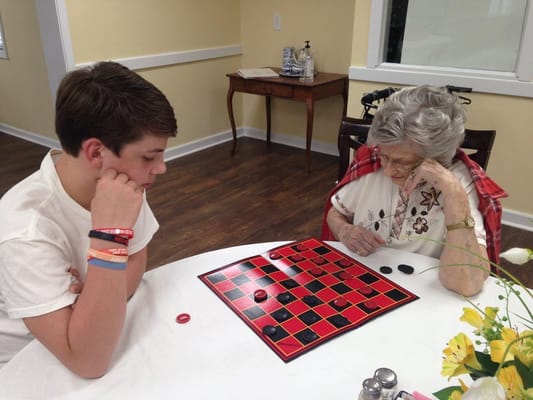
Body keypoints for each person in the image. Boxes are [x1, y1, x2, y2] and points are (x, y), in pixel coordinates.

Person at [0, 61, 177, 377]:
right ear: (96, 153)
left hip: (93, 337)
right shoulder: (23, 229)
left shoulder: (122, 181)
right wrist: (110, 237)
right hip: (22, 363)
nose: (161, 167)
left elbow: (136, 258)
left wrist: (94, 301)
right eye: (149, 157)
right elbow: (88, 361)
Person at [322, 85, 507, 297]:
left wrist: (452, 192)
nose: (389, 170)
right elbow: (335, 212)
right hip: (364, 283)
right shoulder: (372, 161)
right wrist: (345, 231)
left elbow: (466, 284)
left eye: (402, 162)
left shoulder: (458, 180)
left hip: (424, 295)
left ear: (436, 159)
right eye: (385, 156)